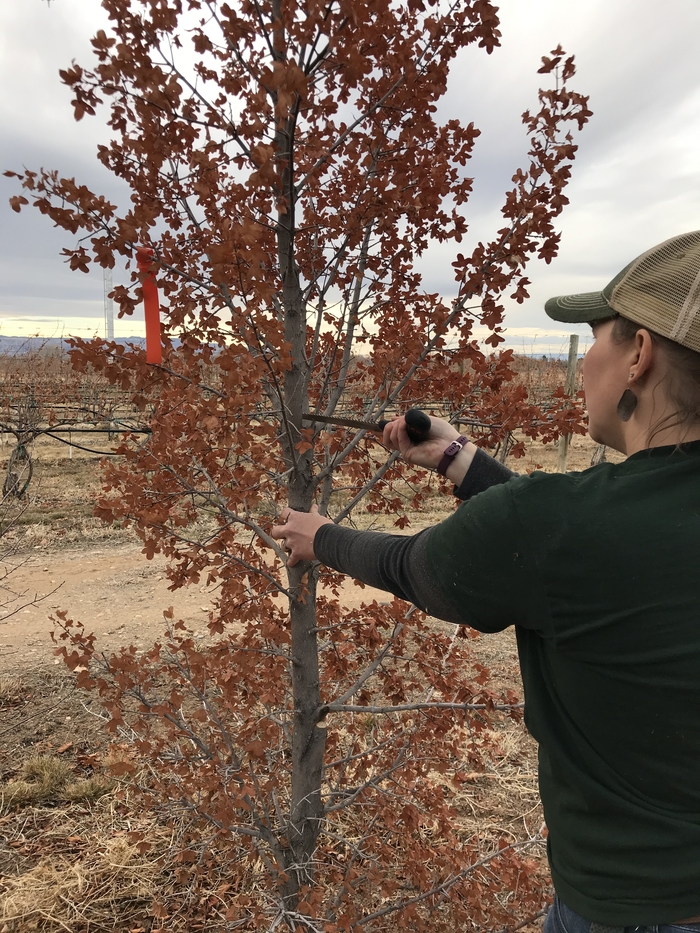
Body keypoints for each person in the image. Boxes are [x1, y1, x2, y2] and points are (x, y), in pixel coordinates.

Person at [272, 230, 700, 932]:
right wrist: (457, 457)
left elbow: (423, 567)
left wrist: (320, 537)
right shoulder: (574, 529)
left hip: (632, 911)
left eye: (597, 335)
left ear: (640, 356)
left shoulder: (554, 527)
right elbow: (572, 540)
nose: (586, 358)